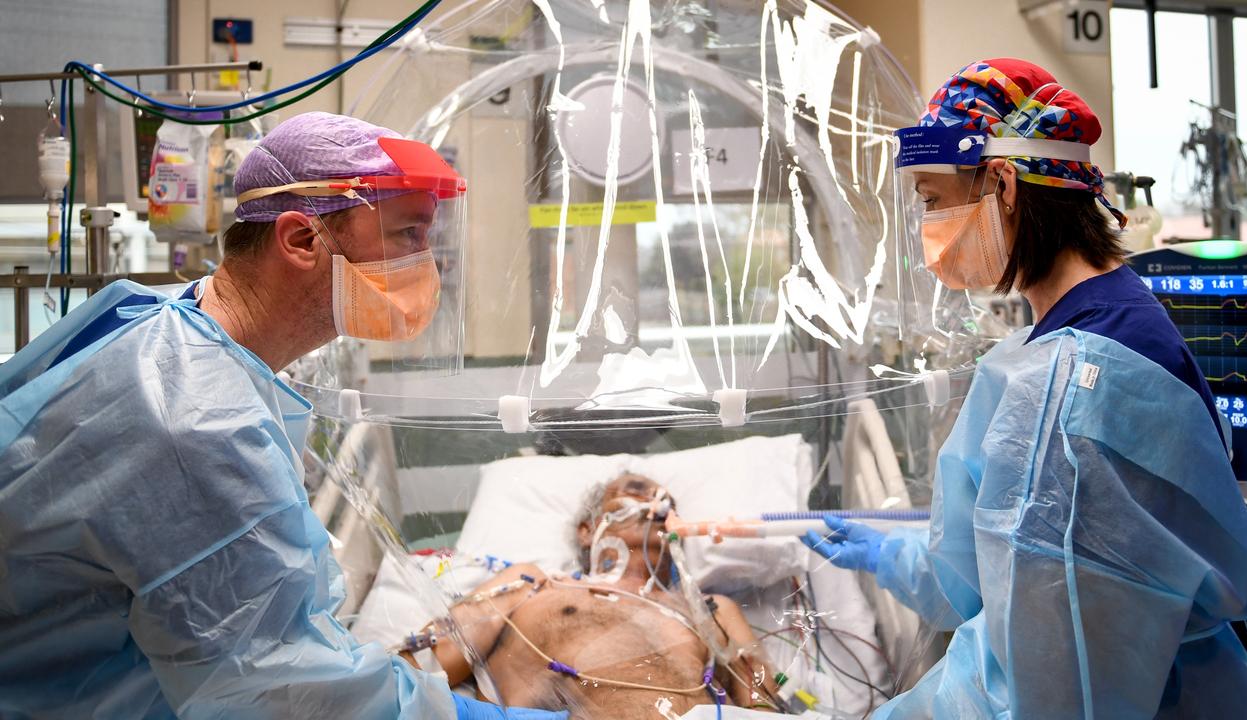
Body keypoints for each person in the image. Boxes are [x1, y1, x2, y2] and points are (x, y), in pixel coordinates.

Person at [0, 112, 563, 720]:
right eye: (408, 234)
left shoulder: (163, 321)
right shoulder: (198, 425)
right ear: (300, 241)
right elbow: (292, 696)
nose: (429, 264)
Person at [803, 58, 1247, 718]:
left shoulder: (1081, 384)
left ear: (1001, 182)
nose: (930, 231)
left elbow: (1049, 689)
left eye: (936, 202)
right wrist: (889, 554)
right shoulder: (1104, 322)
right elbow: (983, 578)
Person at [429, 474, 781, 718]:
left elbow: (762, 707)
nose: (655, 503)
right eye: (636, 491)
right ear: (588, 530)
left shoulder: (710, 610)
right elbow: (417, 673)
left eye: (667, 502)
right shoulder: (531, 584)